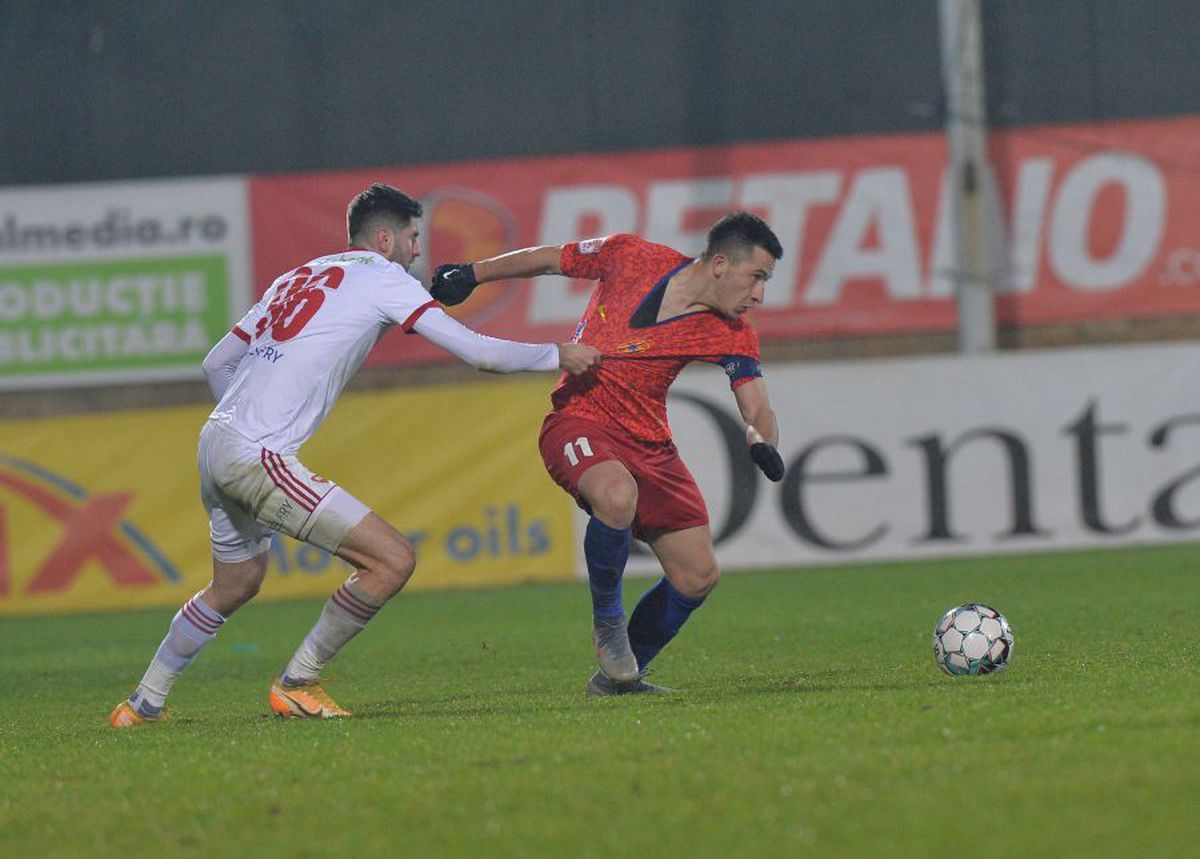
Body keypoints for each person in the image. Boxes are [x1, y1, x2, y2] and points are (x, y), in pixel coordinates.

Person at [109, 184, 601, 726]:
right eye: (414, 238)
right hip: (255, 451)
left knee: (236, 583)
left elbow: (214, 363)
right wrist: (557, 352)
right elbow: (479, 352)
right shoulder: (382, 277)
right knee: (391, 559)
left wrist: (241, 422)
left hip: (215, 440)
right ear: (386, 238)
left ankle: (143, 704)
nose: (419, 252)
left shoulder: (299, 274)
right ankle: (299, 682)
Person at [430, 212, 786, 696]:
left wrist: (761, 438)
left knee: (697, 576)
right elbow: (549, 259)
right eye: (757, 277)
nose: (760, 294)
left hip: (651, 445)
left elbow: (756, 404)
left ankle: (618, 680)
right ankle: (608, 626)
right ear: (721, 264)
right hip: (579, 420)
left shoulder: (732, 332)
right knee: (616, 495)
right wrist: (473, 274)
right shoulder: (632, 256)